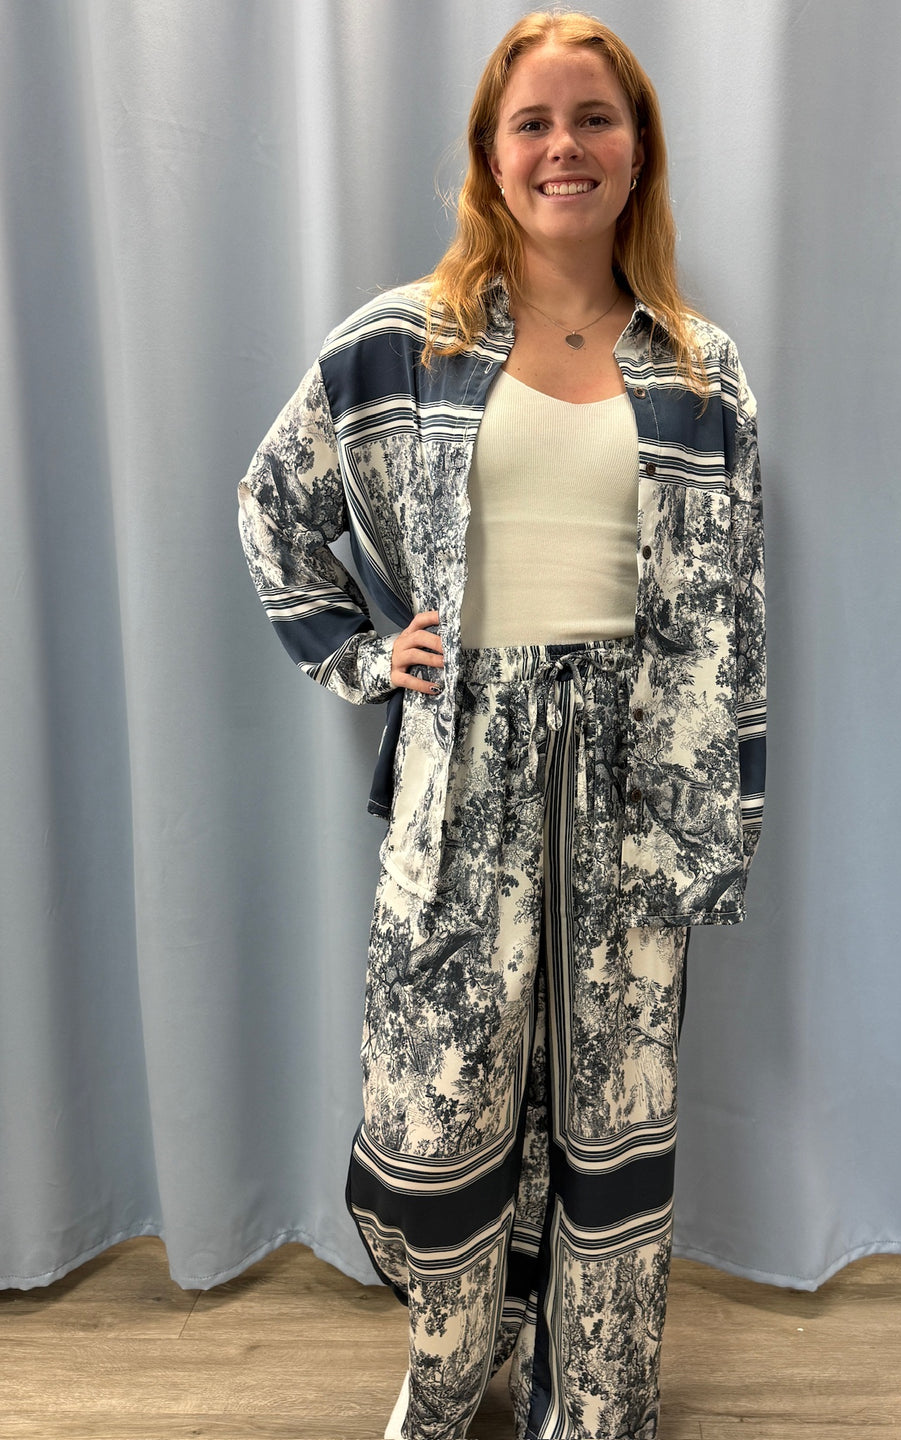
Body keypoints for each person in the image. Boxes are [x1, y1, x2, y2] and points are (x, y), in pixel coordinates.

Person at [238, 11, 765, 1439]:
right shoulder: (404, 346)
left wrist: (721, 826)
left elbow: (732, 624)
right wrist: (361, 654)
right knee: (439, 1116)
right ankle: (456, 1365)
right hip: (463, 780)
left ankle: (593, 1402)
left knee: (609, 1121)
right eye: (532, 122)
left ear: (637, 146)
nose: (564, 148)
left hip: (632, 792)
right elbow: (272, 508)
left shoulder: (700, 376)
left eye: (594, 117)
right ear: (489, 155)